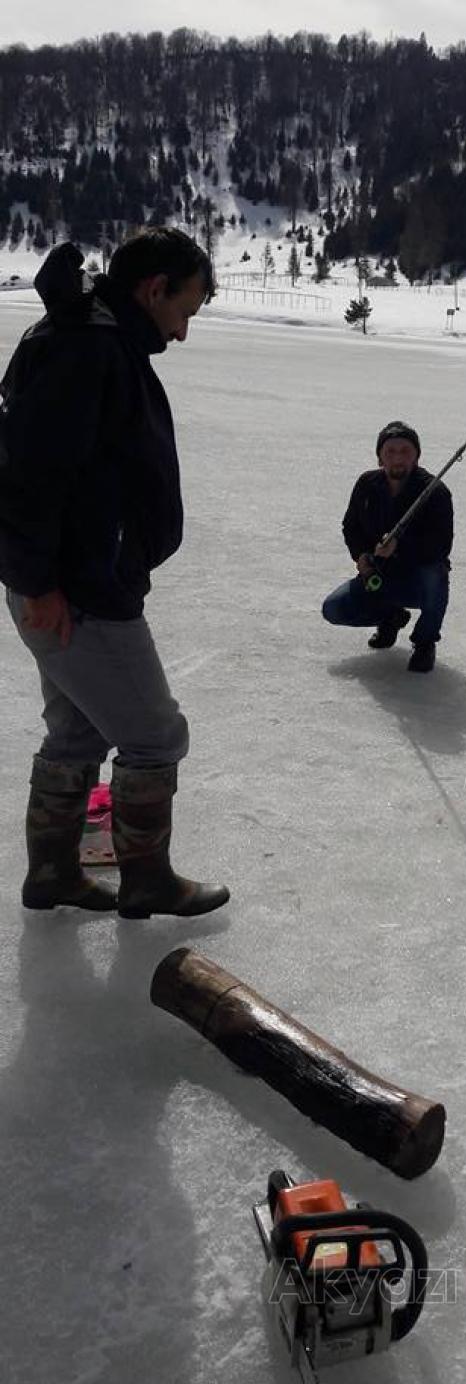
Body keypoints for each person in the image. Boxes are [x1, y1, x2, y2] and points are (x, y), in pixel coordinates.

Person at [0, 228, 230, 918]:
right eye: (184, 310)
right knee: (155, 735)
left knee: (77, 730)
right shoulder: (88, 345)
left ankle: (53, 875)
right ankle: (147, 880)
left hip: (74, 581)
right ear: (153, 288)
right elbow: (26, 478)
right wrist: (38, 585)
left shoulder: (95, 338)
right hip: (79, 592)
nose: (183, 332)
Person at [321, 421, 453, 673]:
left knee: (436, 574)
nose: (398, 458)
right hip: (379, 575)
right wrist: (361, 556)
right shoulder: (367, 484)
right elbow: (351, 526)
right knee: (333, 609)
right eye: (390, 451)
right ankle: (390, 617)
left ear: (416, 456)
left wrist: (399, 548)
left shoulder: (435, 492)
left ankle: (425, 642)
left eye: (405, 451)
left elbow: (440, 546)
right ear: (380, 456)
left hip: (417, 579)